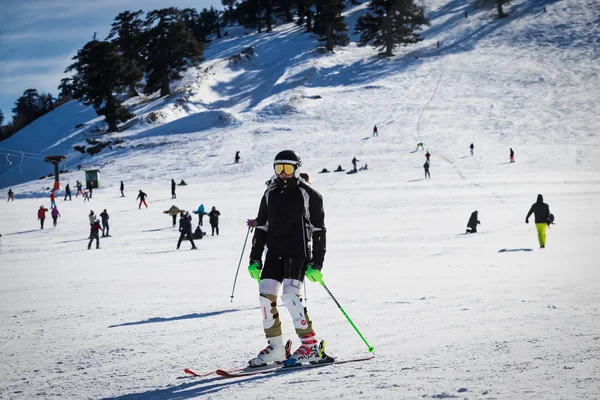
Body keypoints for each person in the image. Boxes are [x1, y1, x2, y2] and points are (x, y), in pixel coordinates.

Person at [246, 150, 327, 367]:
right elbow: (262, 226)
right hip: (274, 253)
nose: (283, 173)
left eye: (288, 168)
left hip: (297, 253)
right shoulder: (269, 193)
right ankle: (276, 348)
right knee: (265, 297)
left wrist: (316, 263)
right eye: (279, 168)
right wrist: (255, 258)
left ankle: (311, 347)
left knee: (290, 297)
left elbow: (319, 229)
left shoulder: (308, 194)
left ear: (297, 168)